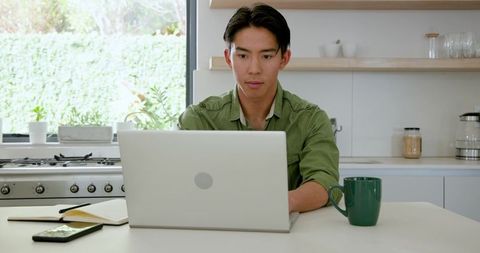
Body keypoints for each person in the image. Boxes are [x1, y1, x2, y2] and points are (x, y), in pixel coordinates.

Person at [178, 3, 340, 213]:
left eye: (266, 56)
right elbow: (180, 184)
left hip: (290, 236)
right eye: (243, 56)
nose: (254, 69)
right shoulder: (198, 119)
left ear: (284, 59)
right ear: (229, 59)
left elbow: (325, 183)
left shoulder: (312, 119)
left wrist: (278, 203)